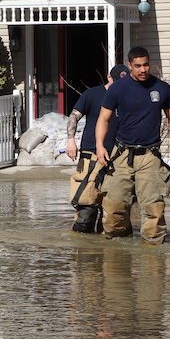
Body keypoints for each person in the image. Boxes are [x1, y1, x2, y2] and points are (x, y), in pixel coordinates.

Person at [95, 47, 170, 245]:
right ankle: (118, 257)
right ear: (130, 66)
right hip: (121, 154)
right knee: (113, 210)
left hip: (150, 155)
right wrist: (100, 146)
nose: (143, 69)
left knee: (154, 210)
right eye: (138, 66)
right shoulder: (118, 89)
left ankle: (152, 262)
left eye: (146, 64)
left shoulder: (161, 88)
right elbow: (103, 119)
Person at [66, 64, 131, 233]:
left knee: (113, 213)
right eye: (117, 82)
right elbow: (74, 116)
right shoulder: (92, 94)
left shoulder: (127, 97)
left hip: (118, 157)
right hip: (91, 155)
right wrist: (70, 140)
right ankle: (83, 251)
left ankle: (108, 253)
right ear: (109, 78)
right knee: (87, 211)